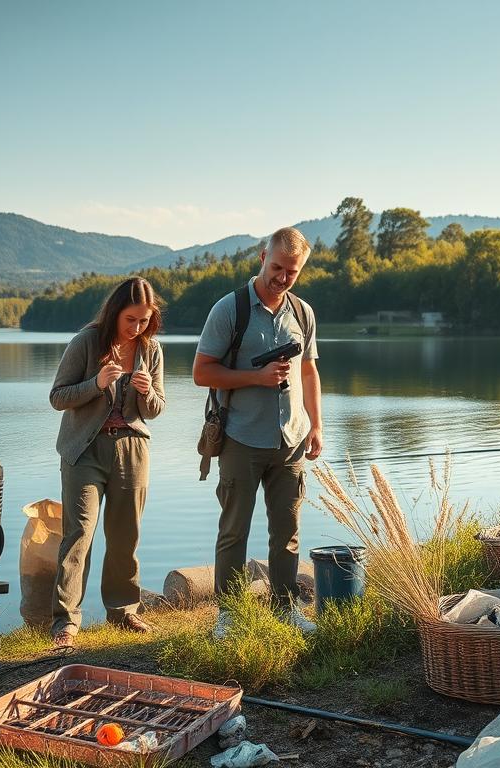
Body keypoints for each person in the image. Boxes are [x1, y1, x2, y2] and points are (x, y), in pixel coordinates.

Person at [193, 226, 323, 639]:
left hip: (291, 441)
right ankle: (229, 617)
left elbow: (309, 370)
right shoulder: (229, 310)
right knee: (234, 531)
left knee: (286, 533)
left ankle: (285, 612)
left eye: (292, 272)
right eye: (278, 267)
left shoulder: (303, 313)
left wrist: (316, 424)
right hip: (240, 439)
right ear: (262, 256)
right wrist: (256, 377)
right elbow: (201, 373)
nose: (283, 278)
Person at [49, 277, 166, 650]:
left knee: (125, 534)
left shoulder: (152, 350)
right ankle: (66, 621)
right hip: (84, 450)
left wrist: (147, 394)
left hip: (132, 451)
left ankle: (123, 610)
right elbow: (57, 397)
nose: (136, 328)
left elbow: (156, 409)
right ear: (116, 312)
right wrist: (96, 383)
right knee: (79, 533)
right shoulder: (86, 342)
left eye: (144, 321)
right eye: (130, 319)